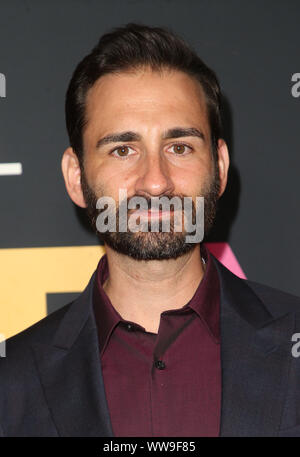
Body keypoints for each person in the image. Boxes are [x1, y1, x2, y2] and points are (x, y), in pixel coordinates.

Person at [1, 22, 300, 438]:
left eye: (179, 147)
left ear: (219, 166)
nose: (155, 182)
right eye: (123, 150)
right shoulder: (10, 384)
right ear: (76, 176)